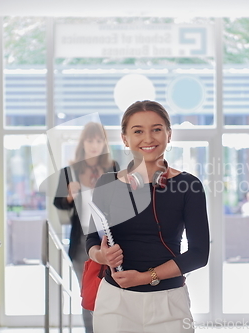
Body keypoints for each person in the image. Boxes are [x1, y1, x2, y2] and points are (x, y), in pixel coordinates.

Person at [86, 100, 210, 332]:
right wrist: (102, 256)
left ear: (169, 134)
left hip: (170, 303)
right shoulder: (107, 183)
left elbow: (199, 255)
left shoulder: (189, 185)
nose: (148, 138)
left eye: (156, 129)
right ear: (125, 139)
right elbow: (92, 241)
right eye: (138, 131)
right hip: (115, 302)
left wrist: (144, 277)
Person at [53, 122, 119, 333]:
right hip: (82, 239)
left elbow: (122, 201)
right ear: (83, 143)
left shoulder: (113, 167)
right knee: (88, 292)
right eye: (90, 140)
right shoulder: (70, 171)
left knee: (112, 290)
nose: (94, 145)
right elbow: (59, 202)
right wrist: (70, 194)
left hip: (108, 237)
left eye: (99, 140)